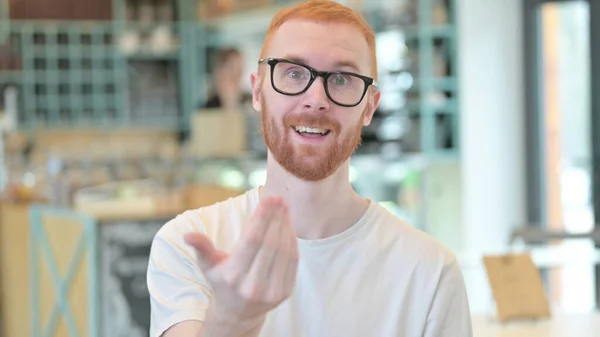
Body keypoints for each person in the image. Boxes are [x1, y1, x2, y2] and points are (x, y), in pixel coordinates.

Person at [147, 1, 473, 337]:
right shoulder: (188, 246)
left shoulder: (431, 273)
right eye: (293, 73)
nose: (316, 98)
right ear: (258, 91)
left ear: (369, 107)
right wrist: (231, 319)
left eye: (342, 79)